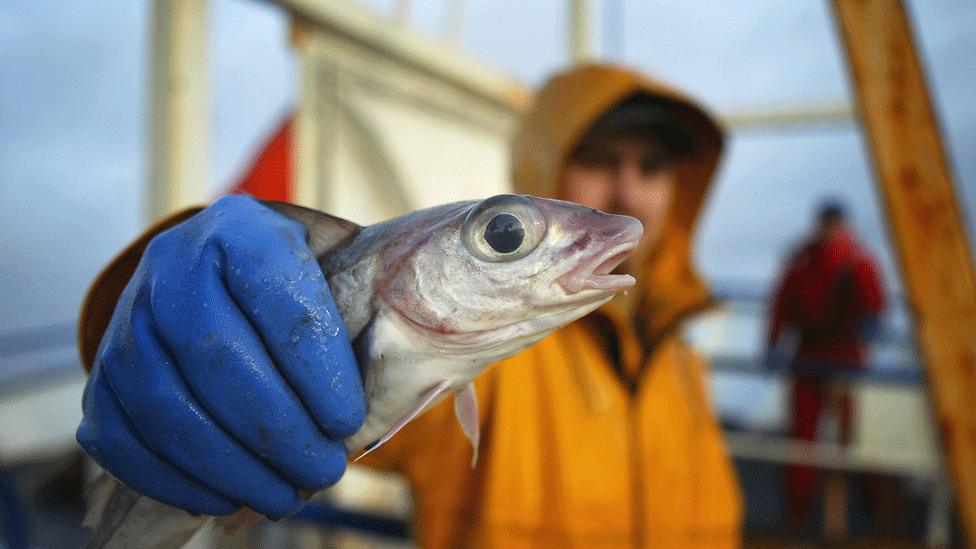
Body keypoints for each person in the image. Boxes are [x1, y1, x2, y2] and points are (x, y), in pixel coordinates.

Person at [77, 63, 742, 546]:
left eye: (652, 167)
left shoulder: (684, 361)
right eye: (599, 160)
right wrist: (160, 316)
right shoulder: (494, 358)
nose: (626, 196)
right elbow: (264, 364)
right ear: (548, 165)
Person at [766, 200, 885, 531]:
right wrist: (773, 342)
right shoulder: (806, 262)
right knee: (803, 444)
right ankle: (801, 516)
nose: (830, 233)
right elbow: (781, 304)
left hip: (844, 361)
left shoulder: (856, 263)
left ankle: (869, 513)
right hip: (811, 359)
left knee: (855, 441)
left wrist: (870, 326)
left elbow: (875, 305)